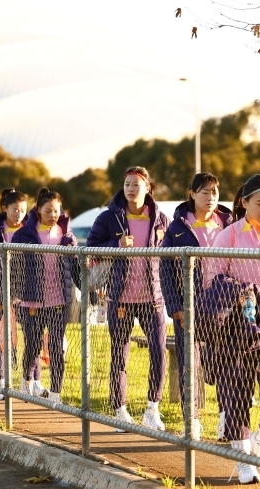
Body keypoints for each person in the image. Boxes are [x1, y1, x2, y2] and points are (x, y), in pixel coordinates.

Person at [202, 174, 260, 484]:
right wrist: (240, 298)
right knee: (237, 392)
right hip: (236, 325)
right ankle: (243, 459)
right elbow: (214, 280)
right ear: (244, 202)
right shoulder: (227, 236)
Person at [87, 167, 170, 431]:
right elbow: (89, 249)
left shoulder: (161, 220)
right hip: (120, 299)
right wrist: (116, 245)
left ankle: (152, 409)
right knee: (119, 355)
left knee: (159, 352)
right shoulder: (108, 217)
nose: (131, 189)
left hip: (153, 298)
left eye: (136, 184)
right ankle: (120, 410)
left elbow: (171, 254)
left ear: (148, 188)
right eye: (127, 184)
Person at [160, 172, 233, 439]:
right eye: (205, 192)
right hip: (188, 308)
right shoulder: (177, 227)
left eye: (215, 191)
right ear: (191, 194)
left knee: (225, 365)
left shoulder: (228, 224)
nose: (211, 197)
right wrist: (175, 306)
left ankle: (227, 419)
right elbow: (165, 269)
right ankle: (192, 421)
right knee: (189, 365)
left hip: (222, 307)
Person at [12, 188, 80, 403]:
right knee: (32, 346)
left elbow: (76, 268)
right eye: (48, 210)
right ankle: (26, 383)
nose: (53, 215)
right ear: (38, 210)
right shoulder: (23, 235)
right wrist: (14, 293)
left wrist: (89, 289)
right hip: (32, 300)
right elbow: (15, 267)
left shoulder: (67, 236)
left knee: (57, 348)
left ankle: (56, 393)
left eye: (56, 211)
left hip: (58, 300)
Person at [0, 188, 31, 400]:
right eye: (15, 210)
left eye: (23, 210)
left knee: (31, 336)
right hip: (0, 291)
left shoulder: (30, 230)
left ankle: (29, 381)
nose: (19, 214)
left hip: (25, 291)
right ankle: (0, 382)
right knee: (1, 337)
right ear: (5, 208)